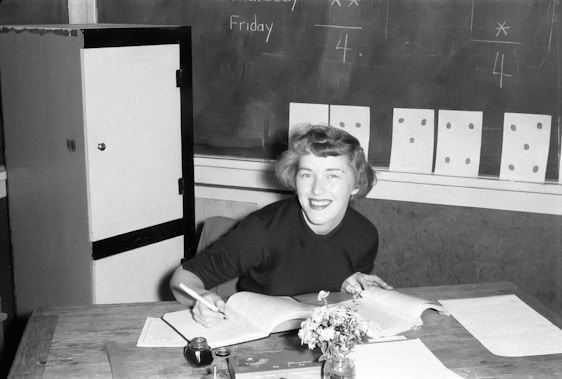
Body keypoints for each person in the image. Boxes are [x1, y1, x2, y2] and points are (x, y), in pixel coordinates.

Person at [170, 124, 392, 327]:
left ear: (356, 184)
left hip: (323, 333)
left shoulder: (364, 235)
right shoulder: (261, 231)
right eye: (306, 174)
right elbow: (181, 280)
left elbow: (330, 279)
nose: (316, 189)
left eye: (332, 176)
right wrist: (200, 298)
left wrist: (351, 285)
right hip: (259, 330)